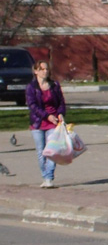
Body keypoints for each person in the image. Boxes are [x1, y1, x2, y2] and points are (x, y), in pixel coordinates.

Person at [26, 60, 66, 188]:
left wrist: (60, 114)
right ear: (36, 71)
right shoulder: (31, 87)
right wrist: (47, 116)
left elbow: (61, 102)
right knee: (41, 151)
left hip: (53, 123)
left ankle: (49, 178)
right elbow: (32, 105)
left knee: (52, 150)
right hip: (38, 123)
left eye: (46, 69)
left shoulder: (54, 85)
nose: (45, 71)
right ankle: (44, 176)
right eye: (42, 69)